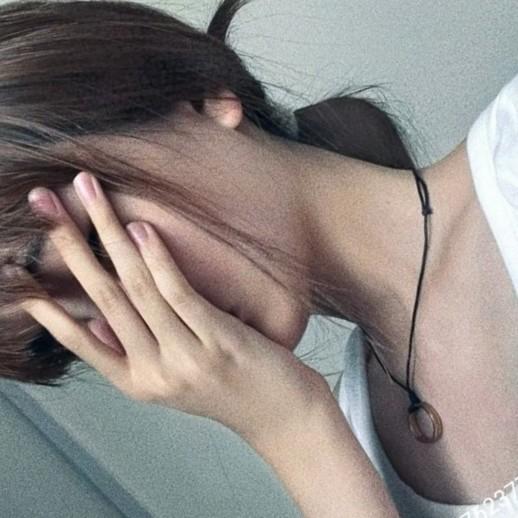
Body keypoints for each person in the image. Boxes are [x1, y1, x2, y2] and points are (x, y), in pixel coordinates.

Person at [0, 0, 516, 516]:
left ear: (203, 97)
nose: (147, 316)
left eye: (97, 244)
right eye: (67, 334)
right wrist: (296, 432)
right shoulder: (348, 441)